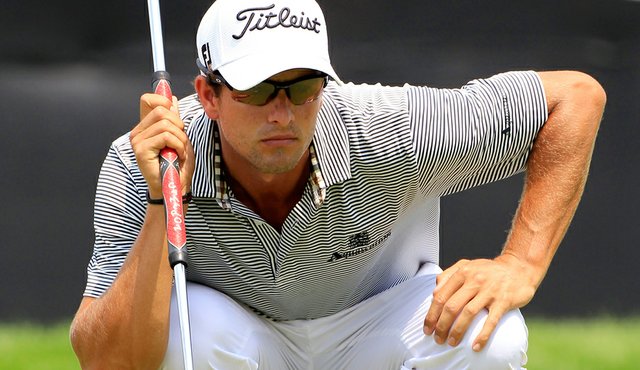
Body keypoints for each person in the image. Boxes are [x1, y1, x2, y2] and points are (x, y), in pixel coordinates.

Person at [69, 0, 606, 368]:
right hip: (244, 342)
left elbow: (575, 97)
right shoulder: (142, 158)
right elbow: (107, 360)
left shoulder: (386, 127)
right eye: (257, 90)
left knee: (491, 336)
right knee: (191, 328)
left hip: (381, 330)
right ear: (208, 96)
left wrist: (521, 263)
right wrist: (164, 206)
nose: (282, 112)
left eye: (302, 85)